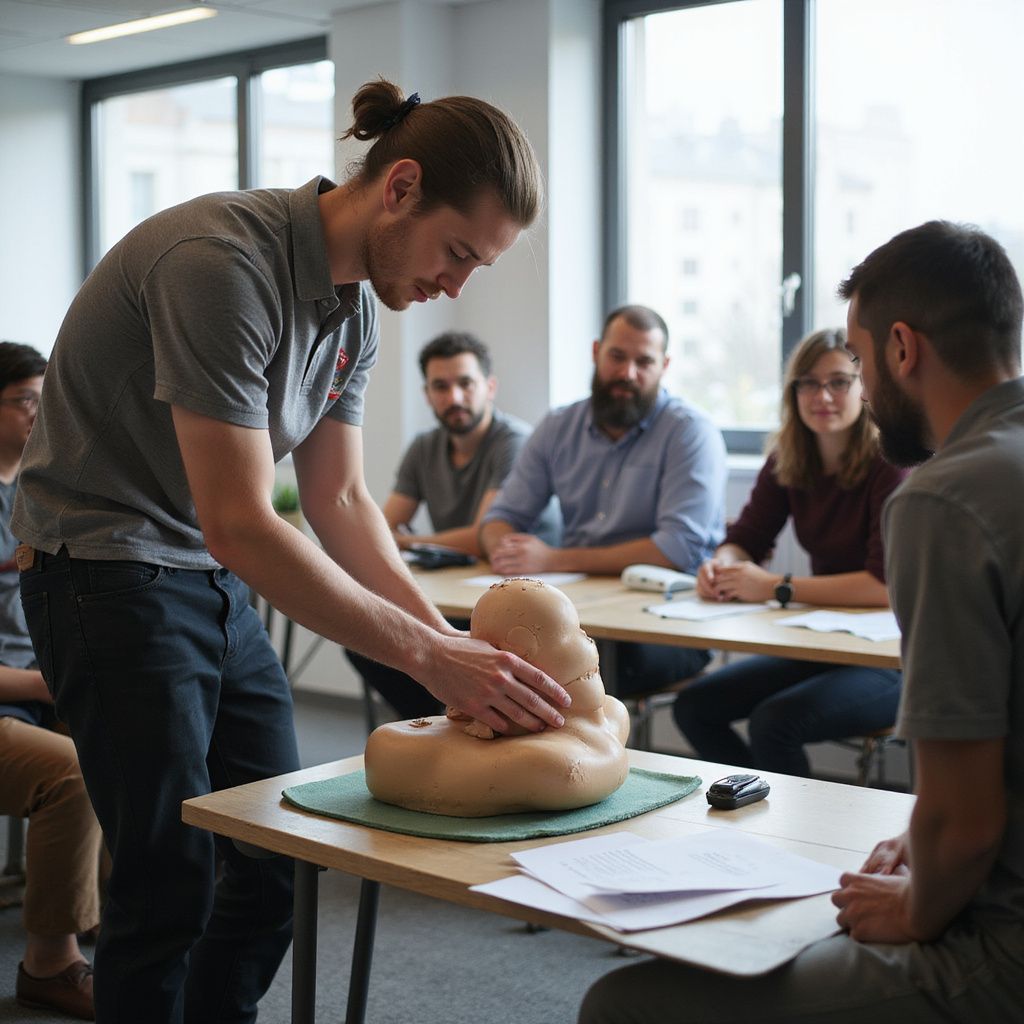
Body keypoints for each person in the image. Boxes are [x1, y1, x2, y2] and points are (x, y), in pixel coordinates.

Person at [13, 79, 571, 1024]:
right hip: (103, 573)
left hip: (204, 577)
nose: (454, 286)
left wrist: (446, 646)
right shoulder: (219, 264)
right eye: (458, 253)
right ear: (398, 189)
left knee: (283, 854)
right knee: (168, 881)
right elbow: (239, 518)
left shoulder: (355, 310)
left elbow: (342, 498)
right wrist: (432, 657)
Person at [579, 220, 1024, 1023]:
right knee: (715, 703)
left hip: (1000, 946)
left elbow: (964, 824)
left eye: (853, 364)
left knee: (620, 1006)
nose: (841, 390)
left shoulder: (938, 497)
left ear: (899, 349)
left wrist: (920, 904)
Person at [672, 328, 906, 776]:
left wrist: (776, 586)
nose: (823, 395)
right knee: (694, 706)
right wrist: (722, 565)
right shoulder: (788, 456)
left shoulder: (890, 461)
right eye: (808, 383)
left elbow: (883, 586)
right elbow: (747, 537)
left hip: (892, 658)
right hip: (820, 642)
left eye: (839, 381)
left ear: (864, 387)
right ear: (793, 391)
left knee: (775, 723)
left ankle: (801, 837)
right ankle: (755, 808)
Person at [480, 304, 727, 699]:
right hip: (578, 615)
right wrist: (506, 552)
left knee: (562, 667)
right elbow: (500, 518)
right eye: (617, 357)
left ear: (664, 366)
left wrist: (554, 560)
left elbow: (677, 548)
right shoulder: (558, 426)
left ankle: (579, 761)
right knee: (472, 647)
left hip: (667, 626)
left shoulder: (690, 433)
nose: (628, 373)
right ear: (596, 352)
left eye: (644, 361)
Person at [347, 329, 557, 719]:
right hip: (461, 591)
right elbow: (385, 525)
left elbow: (482, 537)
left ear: (489, 387)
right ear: (427, 394)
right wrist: (402, 539)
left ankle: (457, 719)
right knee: (370, 640)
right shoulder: (424, 447)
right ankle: (443, 722)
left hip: (525, 602)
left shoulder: (514, 442)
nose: (454, 397)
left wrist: (412, 542)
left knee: (444, 640)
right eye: (440, 387)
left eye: (465, 383)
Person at [0, 343, 100, 1021]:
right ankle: (51, 963)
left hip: (35, 681)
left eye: (45, 397)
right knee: (73, 774)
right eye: (26, 399)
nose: (41, 413)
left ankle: (105, 917)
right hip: (18, 691)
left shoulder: (34, 491)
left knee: (129, 738)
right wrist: (42, 687)